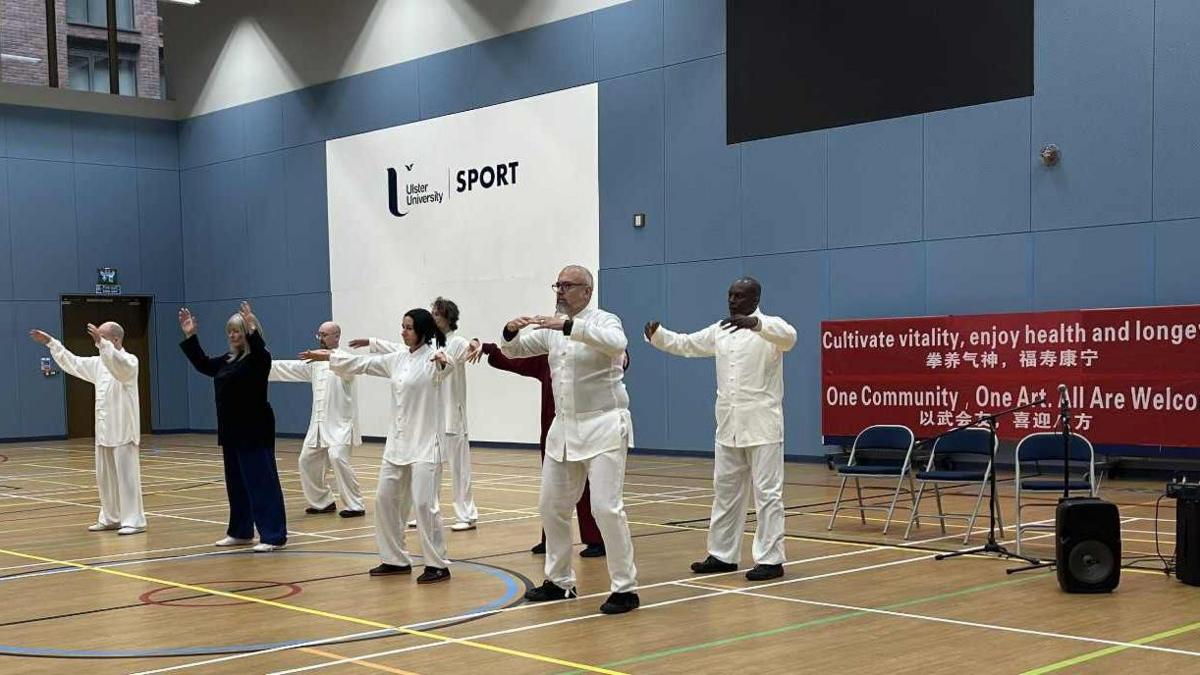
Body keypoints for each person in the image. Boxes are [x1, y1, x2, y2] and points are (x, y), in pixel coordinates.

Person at [500, 265, 639, 615]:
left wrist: (568, 326)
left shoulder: (605, 320)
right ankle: (559, 582)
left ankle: (625, 588)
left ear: (586, 291)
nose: (559, 291)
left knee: (606, 509)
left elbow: (616, 344)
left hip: (605, 426)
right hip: (564, 431)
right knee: (551, 507)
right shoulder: (551, 330)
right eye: (557, 285)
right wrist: (510, 331)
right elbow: (514, 350)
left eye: (567, 285)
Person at [645, 276, 796, 581]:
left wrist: (756, 324)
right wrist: (659, 336)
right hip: (727, 426)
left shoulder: (770, 327)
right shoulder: (721, 330)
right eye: (730, 295)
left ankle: (770, 559)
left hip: (763, 425)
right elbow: (687, 344)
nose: (732, 300)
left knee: (767, 494)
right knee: (725, 492)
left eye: (739, 296)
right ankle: (722, 555)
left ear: (755, 298)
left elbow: (789, 338)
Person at [305, 309, 454, 584]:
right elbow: (362, 365)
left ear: (421, 330)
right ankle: (394, 559)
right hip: (397, 445)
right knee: (384, 500)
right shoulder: (397, 359)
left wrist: (444, 361)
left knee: (424, 505)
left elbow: (446, 366)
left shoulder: (434, 357)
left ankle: (437, 565)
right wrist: (329, 356)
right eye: (402, 327)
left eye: (408, 327)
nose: (403, 332)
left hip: (426, 446)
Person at [466, 342, 615, 557]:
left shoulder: (590, 354)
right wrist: (489, 349)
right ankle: (551, 539)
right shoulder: (548, 358)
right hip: (553, 432)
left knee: (586, 488)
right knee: (552, 490)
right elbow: (515, 361)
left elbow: (617, 358)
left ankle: (596, 539)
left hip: (584, 431)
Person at [351, 297, 478, 531]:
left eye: (437, 314)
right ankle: (425, 512)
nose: (434, 317)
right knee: (430, 474)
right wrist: (371, 341)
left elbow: (468, 347)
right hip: (431, 417)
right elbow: (398, 350)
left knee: (460, 469)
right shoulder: (426, 345)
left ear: (448, 317)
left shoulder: (456, 342)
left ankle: (466, 514)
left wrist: (477, 344)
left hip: (453, 414)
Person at [179, 301, 288, 553]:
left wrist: (252, 327)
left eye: (237, 330)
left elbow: (258, 348)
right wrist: (190, 335)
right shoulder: (229, 359)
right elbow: (203, 364)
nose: (233, 335)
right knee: (236, 484)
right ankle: (240, 531)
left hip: (255, 430)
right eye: (230, 331)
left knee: (262, 482)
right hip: (231, 430)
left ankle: (273, 535)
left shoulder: (259, 358)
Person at [31, 323, 146, 535]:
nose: (97, 342)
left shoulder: (130, 361)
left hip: (124, 431)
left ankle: (134, 520)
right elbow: (73, 362)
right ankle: (111, 517)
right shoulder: (97, 364)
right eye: (96, 338)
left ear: (116, 340)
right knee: (105, 478)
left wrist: (103, 345)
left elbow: (118, 366)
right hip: (104, 431)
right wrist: (51, 343)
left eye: (101, 337)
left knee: (127, 479)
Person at [270, 321, 365, 518]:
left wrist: (323, 357)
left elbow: (343, 365)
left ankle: (355, 505)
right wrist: (260, 364)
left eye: (324, 335)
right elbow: (288, 368)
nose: (320, 338)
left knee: (338, 458)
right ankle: (322, 502)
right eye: (319, 335)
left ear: (336, 337)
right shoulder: (314, 363)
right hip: (319, 425)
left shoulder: (346, 360)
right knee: (306, 460)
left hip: (340, 425)